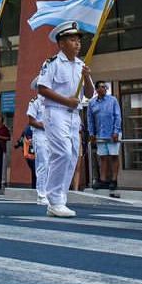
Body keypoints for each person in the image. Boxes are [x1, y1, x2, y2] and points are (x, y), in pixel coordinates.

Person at [37, 21, 95, 218]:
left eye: (78, 40)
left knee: (71, 156)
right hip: (55, 112)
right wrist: (66, 101)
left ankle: (60, 198)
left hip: (73, 115)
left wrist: (87, 77)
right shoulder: (52, 63)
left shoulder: (81, 65)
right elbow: (42, 89)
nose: (77, 43)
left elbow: (89, 93)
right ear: (61, 43)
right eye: (72, 39)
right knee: (61, 152)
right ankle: (54, 199)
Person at [87, 81, 122, 195]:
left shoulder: (112, 100)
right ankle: (103, 180)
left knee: (113, 156)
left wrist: (116, 131)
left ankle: (114, 180)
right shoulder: (92, 103)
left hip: (112, 133)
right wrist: (91, 133)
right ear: (96, 90)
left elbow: (117, 116)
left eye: (105, 87)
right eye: (101, 87)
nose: (104, 88)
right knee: (102, 157)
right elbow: (90, 119)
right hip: (100, 134)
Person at [27, 76, 49, 205]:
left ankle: (48, 191)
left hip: (51, 135)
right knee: (43, 163)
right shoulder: (35, 101)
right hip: (40, 135)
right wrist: (46, 126)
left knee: (51, 164)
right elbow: (31, 121)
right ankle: (41, 194)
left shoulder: (51, 101)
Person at [0, 118, 11, 192]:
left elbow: (8, 138)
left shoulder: (4, 128)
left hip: (2, 148)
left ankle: (2, 181)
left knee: (3, 166)